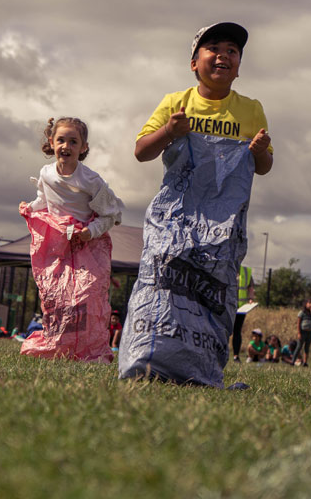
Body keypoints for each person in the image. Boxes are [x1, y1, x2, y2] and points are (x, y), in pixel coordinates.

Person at [119, 22, 273, 388]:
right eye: (213, 48)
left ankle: (200, 368)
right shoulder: (176, 102)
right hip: (175, 218)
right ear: (194, 62)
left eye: (232, 51)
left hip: (222, 227)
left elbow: (264, 167)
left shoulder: (250, 110)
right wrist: (170, 132)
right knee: (163, 283)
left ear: (239, 66)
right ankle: (148, 358)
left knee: (210, 293)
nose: (223, 55)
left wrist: (259, 151)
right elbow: (141, 151)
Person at [19, 117, 125, 361]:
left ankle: (91, 349)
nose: (66, 146)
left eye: (73, 141)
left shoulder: (91, 181)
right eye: (61, 140)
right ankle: (58, 344)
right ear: (51, 142)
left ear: (84, 147)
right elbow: (44, 200)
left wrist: (90, 232)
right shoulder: (46, 174)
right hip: (59, 243)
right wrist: (31, 207)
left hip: (88, 243)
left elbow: (112, 215)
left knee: (87, 294)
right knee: (56, 296)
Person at [231, 264, 256, 362]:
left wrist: (250, 299)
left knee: (237, 331)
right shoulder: (226, 267)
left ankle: (236, 356)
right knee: (224, 331)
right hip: (227, 307)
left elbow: (250, 287)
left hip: (241, 309)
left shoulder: (246, 271)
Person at [292, 298, 311, 368]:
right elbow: (298, 323)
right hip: (303, 332)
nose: (310, 305)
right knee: (299, 346)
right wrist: (299, 333)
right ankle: (293, 361)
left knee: (307, 348)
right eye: (309, 303)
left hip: (310, 332)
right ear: (306, 304)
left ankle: (305, 362)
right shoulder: (302, 312)